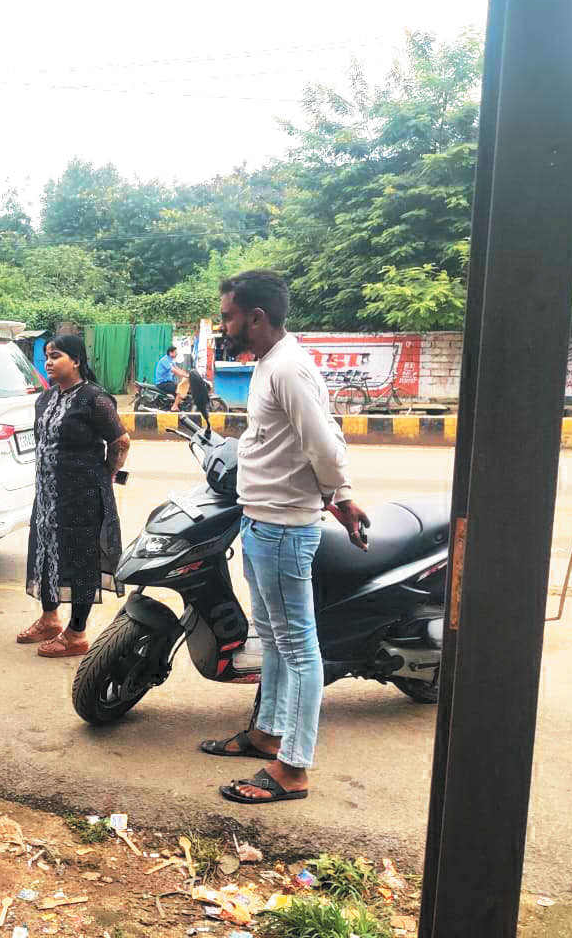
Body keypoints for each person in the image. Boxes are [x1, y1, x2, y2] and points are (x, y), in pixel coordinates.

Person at [200, 270, 370, 804]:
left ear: (256, 317)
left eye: (228, 316)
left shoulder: (288, 369)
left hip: (281, 527)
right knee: (273, 638)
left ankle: (293, 768)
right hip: (263, 520)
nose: (223, 325)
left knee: (298, 646)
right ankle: (266, 734)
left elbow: (324, 442)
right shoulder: (272, 364)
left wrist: (340, 496)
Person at [16, 335, 130, 657]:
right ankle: (50, 619)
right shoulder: (46, 398)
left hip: (83, 496)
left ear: (77, 361)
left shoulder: (94, 399)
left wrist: (105, 475)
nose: (49, 362)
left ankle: (77, 634)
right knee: (46, 553)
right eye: (47, 356)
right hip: (49, 496)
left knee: (81, 560)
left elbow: (120, 441)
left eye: (57, 355)